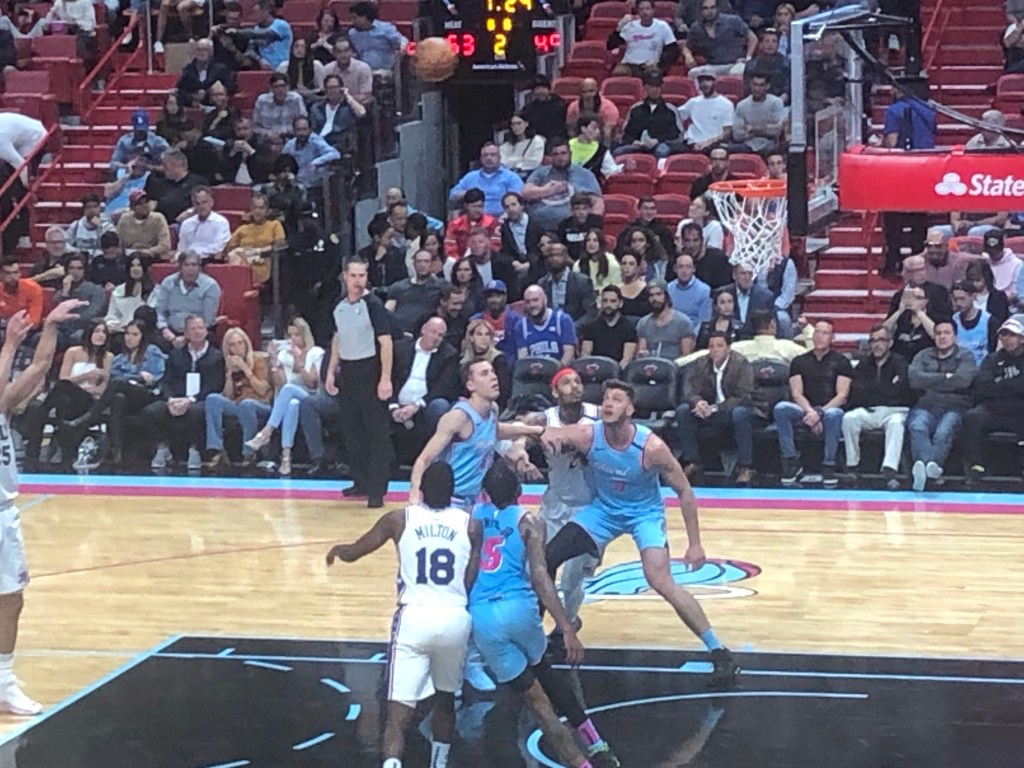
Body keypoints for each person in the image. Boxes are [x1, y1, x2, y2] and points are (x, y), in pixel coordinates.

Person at [540, 380, 739, 686]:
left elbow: (685, 491)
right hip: (604, 512)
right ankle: (537, 639)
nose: (608, 404)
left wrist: (695, 544)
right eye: (606, 399)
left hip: (643, 515)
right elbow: (543, 430)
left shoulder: (652, 448)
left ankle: (718, 651)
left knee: (661, 581)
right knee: (546, 558)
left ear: (630, 409)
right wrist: (528, 441)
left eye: (617, 399)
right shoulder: (588, 434)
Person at [325, 462, 482, 768]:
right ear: (453, 492)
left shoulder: (398, 519)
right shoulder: (471, 526)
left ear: (420, 490)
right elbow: (469, 579)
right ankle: (439, 763)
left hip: (414, 618)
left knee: (397, 713)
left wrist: (339, 551)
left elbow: (356, 552)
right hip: (453, 617)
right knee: (445, 701)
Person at [469, 461, 619, 768]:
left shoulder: (474, 517)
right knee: (546, 673)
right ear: (519, 490)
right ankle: (595, 742)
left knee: (537, 704)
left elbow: (470, 566)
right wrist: (566, 627)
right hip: (518, 609)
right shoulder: (530, 523)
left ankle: (583, 764)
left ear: (485, 493)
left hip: (483, 615)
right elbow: (540, 577)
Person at [0, 300, 82, 714]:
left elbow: (40, 368)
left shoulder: (4, 406)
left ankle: (3, 682)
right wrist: (11, 343)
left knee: (11, 598)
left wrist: (49, 326)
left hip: (3, 514)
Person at [326, 258, 395, 508]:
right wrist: (331, 371)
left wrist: (385, 378)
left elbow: (386, 342)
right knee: (352, 430)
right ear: (345, 276)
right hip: (348, 370)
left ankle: (377, 489)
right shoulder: (339, 306)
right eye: (354, 276)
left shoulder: (373, 305)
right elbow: (337, 338)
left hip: (370, 369)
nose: (358, 281)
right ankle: (360, 481)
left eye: (362, 275)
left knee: (376, 433)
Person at [21, 318, 112, 470]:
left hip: (89, 401)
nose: (100, 335)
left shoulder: (107, 357)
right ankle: (60, 457)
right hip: (68, 396)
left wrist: (84, 387)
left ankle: (35, 448)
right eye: (97, 331)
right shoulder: (73, 352)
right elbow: (63, 377)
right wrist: (86, 376)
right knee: (63, 399)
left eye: (104, 332)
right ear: (88, 333)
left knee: (51, 400)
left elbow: (101, 390)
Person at [773, 320, 852, 488]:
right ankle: (791, 461)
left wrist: (819, 413)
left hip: (829, 409)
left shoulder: (841, 362)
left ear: (832, 337)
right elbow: (796, 393)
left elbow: (842, 396)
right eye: (817, 332)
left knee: (835, 414)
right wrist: (811, 412)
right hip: (805, 409)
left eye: (825, 333)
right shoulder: (799, 361)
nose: (819, 336)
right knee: (781, 408)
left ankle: (828, 464)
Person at [142, 314, 226, 471]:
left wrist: (190, 399)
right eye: (192, 329)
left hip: (200, 399)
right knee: (151, 411)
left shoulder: (216, 356)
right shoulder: (176, 354)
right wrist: (170, 398)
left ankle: (195, 450)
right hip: (176, 398)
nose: (197, 332)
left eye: (200, 328)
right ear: (185, 333)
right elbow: (166, 380)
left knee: (195, 412)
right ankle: (162, 447)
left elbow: (215, 385)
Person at [675, 333, 757, 486]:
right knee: (683, 410)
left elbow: (744, 396)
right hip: (708, 409)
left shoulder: (741, 363)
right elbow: (691, 390)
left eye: (719, 346)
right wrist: (698, 402)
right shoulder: (701, 363)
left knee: (741, 413)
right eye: (711, 346)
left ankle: (745, 467)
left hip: (731, 409)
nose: (715, 350)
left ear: (728, 348)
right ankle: (692, 462)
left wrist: (715, 408)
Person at [906, 320, 977, 492]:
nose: (942, 337)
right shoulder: (922, 355)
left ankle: (924, 467)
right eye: (938, 333)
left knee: (943, 431)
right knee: (916, 426)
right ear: (933, 336)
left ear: (955, 336)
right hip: (926, 404)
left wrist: (930, 381)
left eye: (947, 333)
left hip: (955, 405)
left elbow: (963, 380)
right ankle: (930, 467)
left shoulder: (966, 356)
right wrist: (946, 377)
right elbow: (914, 380)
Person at [841, 324, 912, 490]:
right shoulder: (864, 364)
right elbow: (856, 391)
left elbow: (901, 390)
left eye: (881, 340)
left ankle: (890, 469)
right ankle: (852, 466)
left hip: (894, 410)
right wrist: (884, 390)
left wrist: (872, 390)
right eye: (873, 341)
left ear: (890, 343)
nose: (877, 345)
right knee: (849, 418)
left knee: (896, 423)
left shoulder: (900, 362)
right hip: (870, 410)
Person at [962, 317, 1024, 483]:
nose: (1006, 339)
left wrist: (1000, 383)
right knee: (972, 417)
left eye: (1011, 335)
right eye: (1003, 335)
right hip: (994, 408)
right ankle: (976, 466)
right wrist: (1013, 385)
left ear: (1022, 338)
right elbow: (983, 385)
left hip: (1019, 409)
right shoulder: (992, 359)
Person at [202, 328, 273, 471]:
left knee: (247, 404)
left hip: (261, 404)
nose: (237, 348)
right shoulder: (229, 363)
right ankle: (217, 450)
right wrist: (229, 374)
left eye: (240, 343)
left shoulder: (258, 359)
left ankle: (249, 452)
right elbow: (228, 396)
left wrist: (245, 368)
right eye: (232, 345)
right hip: (239, 404)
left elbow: (263, 390)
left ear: (246, 344)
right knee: (212, 399)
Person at [522, 138, 604, 231]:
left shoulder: (584, 174)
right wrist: (551, 190)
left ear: (570, 154)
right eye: (556, 154)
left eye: (563, 153)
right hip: (539, 226)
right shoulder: (541, 172)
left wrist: (592, 227)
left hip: (573, 228)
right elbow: (526, 193)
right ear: (550, 157)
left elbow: (597, 202)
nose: (560, 157)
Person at [614, 72, 685, 159]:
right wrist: (633, 141)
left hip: (661, 144)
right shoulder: (635, 109)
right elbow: (626, 133)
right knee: (618, 152)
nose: (655, 90)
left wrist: (657, 140)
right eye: (652, 87)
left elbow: (677, 135)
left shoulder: (670, 110)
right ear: (645, 88)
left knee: (661, 151)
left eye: (658, 87)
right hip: (638, 144)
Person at [449, 143, 524, 218]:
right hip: (475, 219)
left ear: (499, 158)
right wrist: (469, 194)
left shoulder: (511, 177)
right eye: (485, 155)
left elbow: (518, 200)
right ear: (481, 159)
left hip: (501, 219)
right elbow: (453, 194)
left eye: (493, 155)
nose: (489, 158)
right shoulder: (471, 177)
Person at [607, 0, 679, 77]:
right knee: (619, 72)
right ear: (638, 11)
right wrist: (619, 27)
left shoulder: (662, 26)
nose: (645, 12)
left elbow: (673, 49)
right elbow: (611, 45)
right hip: (628, 65)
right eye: (641, 9)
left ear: (653, 10)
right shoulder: (630, 26)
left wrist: (660, 66)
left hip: (650, 66)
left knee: (653, 75)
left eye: (647, 9)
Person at [513, 285, 577, 364]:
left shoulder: (562, 320)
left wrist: (556, 370)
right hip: (534, 370)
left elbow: (569, 355)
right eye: (528, 302)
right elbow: (523, 359)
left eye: (535, 300)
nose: (532, 305)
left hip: (560, 368)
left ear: (545, 300)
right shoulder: (521, 326)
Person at [579, 285, 638, 367]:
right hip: (595, 369)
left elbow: (627, 359)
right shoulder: (591, 327)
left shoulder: (628, 328)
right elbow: (585, 354)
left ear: (620, 303)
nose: (608, 305)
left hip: (618, 371)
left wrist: (615, 372)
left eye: (613, 301)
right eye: (605, 301)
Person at [461, 319, 512, 409]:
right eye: (479, 334)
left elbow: (504, 392)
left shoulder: (499, 360)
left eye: (487, 334)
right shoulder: (463, 361)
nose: (484, 338)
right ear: (471, 337)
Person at [539, 241, 596, 322]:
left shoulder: (582, 282)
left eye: (558, 255)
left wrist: (570, 327)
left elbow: (590, 313)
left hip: (575, 326)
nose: (554, 259)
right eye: (551, 255)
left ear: (566, 257)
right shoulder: (542, 284)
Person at [637, 279, 695, 358]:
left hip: (674, 364)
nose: (655, 298)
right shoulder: (643, 323)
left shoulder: (683, 322)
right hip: (650, 363)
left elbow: (686, 357)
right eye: (651, 295)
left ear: (666, 296)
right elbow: (641, 352)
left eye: (659, 294)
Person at [346, 0, 408, 72]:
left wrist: (402, 48)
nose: (352, 21)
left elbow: (402, 40)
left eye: (355, 18)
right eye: (351, 18)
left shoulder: (385, 28)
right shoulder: (352, 33)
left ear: (364, 17)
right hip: (361, 71)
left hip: (385, 69)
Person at [952, 279, 999, 365]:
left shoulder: (989, 321)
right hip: (958, 366)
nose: (958, 303)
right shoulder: (953, 320)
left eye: (962, 299)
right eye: (955, 299)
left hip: (982, 367)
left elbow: (994, 350)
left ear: (973, 296)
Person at [177, 38, 235, 108]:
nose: (201, 53)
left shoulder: (220, 69)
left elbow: (229, 88)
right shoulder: (188, 70)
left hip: (214, 105)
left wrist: (207, 93)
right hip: (192, 105)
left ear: (211, 52)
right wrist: (192, 97)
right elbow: (180, 90)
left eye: (205, 50)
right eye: (198, 49)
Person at [117, 189, 172, 263]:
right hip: (128, 258)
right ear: (132, 207)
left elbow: (165, 245)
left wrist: (147, 252)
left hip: (152, 257)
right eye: (140, 204)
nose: (145, 206)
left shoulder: (158, 218)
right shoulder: (124, 219)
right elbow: (118, 243)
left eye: (146, 202)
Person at [520, 75, 568, 142]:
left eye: (543, 88)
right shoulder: (528, 109)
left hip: (557, 140)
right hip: (536, 141)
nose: (540, 91)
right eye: (537, 88)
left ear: (549, 89)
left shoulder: (560, 105)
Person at [499, 113, 546, 180]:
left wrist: (514, 163)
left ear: (526, 124)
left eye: (519, 123)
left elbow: (535, 161)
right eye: (513, 124)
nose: (516, 127)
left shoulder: (536, 141)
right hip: (509, 175)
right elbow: (502, 162)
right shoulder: (507, 144)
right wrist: (522, 160)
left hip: (530, 176)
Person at [277, 37, 325, 102]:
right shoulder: (284, 66)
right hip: (291, 98)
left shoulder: (316, 65)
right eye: (296, 46)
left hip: (312, 97)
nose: (299, 49)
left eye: (303, 47)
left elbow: (322, 89)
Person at [574, 229, 621, 294]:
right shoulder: (578, 264)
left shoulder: (611, 263)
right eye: (588, 240)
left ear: (600, 243)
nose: (591, 244)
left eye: (595, 240)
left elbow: (617, 286)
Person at [0, 257, 42, 329]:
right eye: (8, 273)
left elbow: (34, 321)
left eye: (15, 272)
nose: (13, 277)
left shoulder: (32, 288)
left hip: (26, 329)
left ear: (20, 273)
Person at [617, 252, 649, 318]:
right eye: (624, 263)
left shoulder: (645, 289)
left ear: (637, 267)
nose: (627, 267)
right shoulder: (616, 289)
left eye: (631, 264)